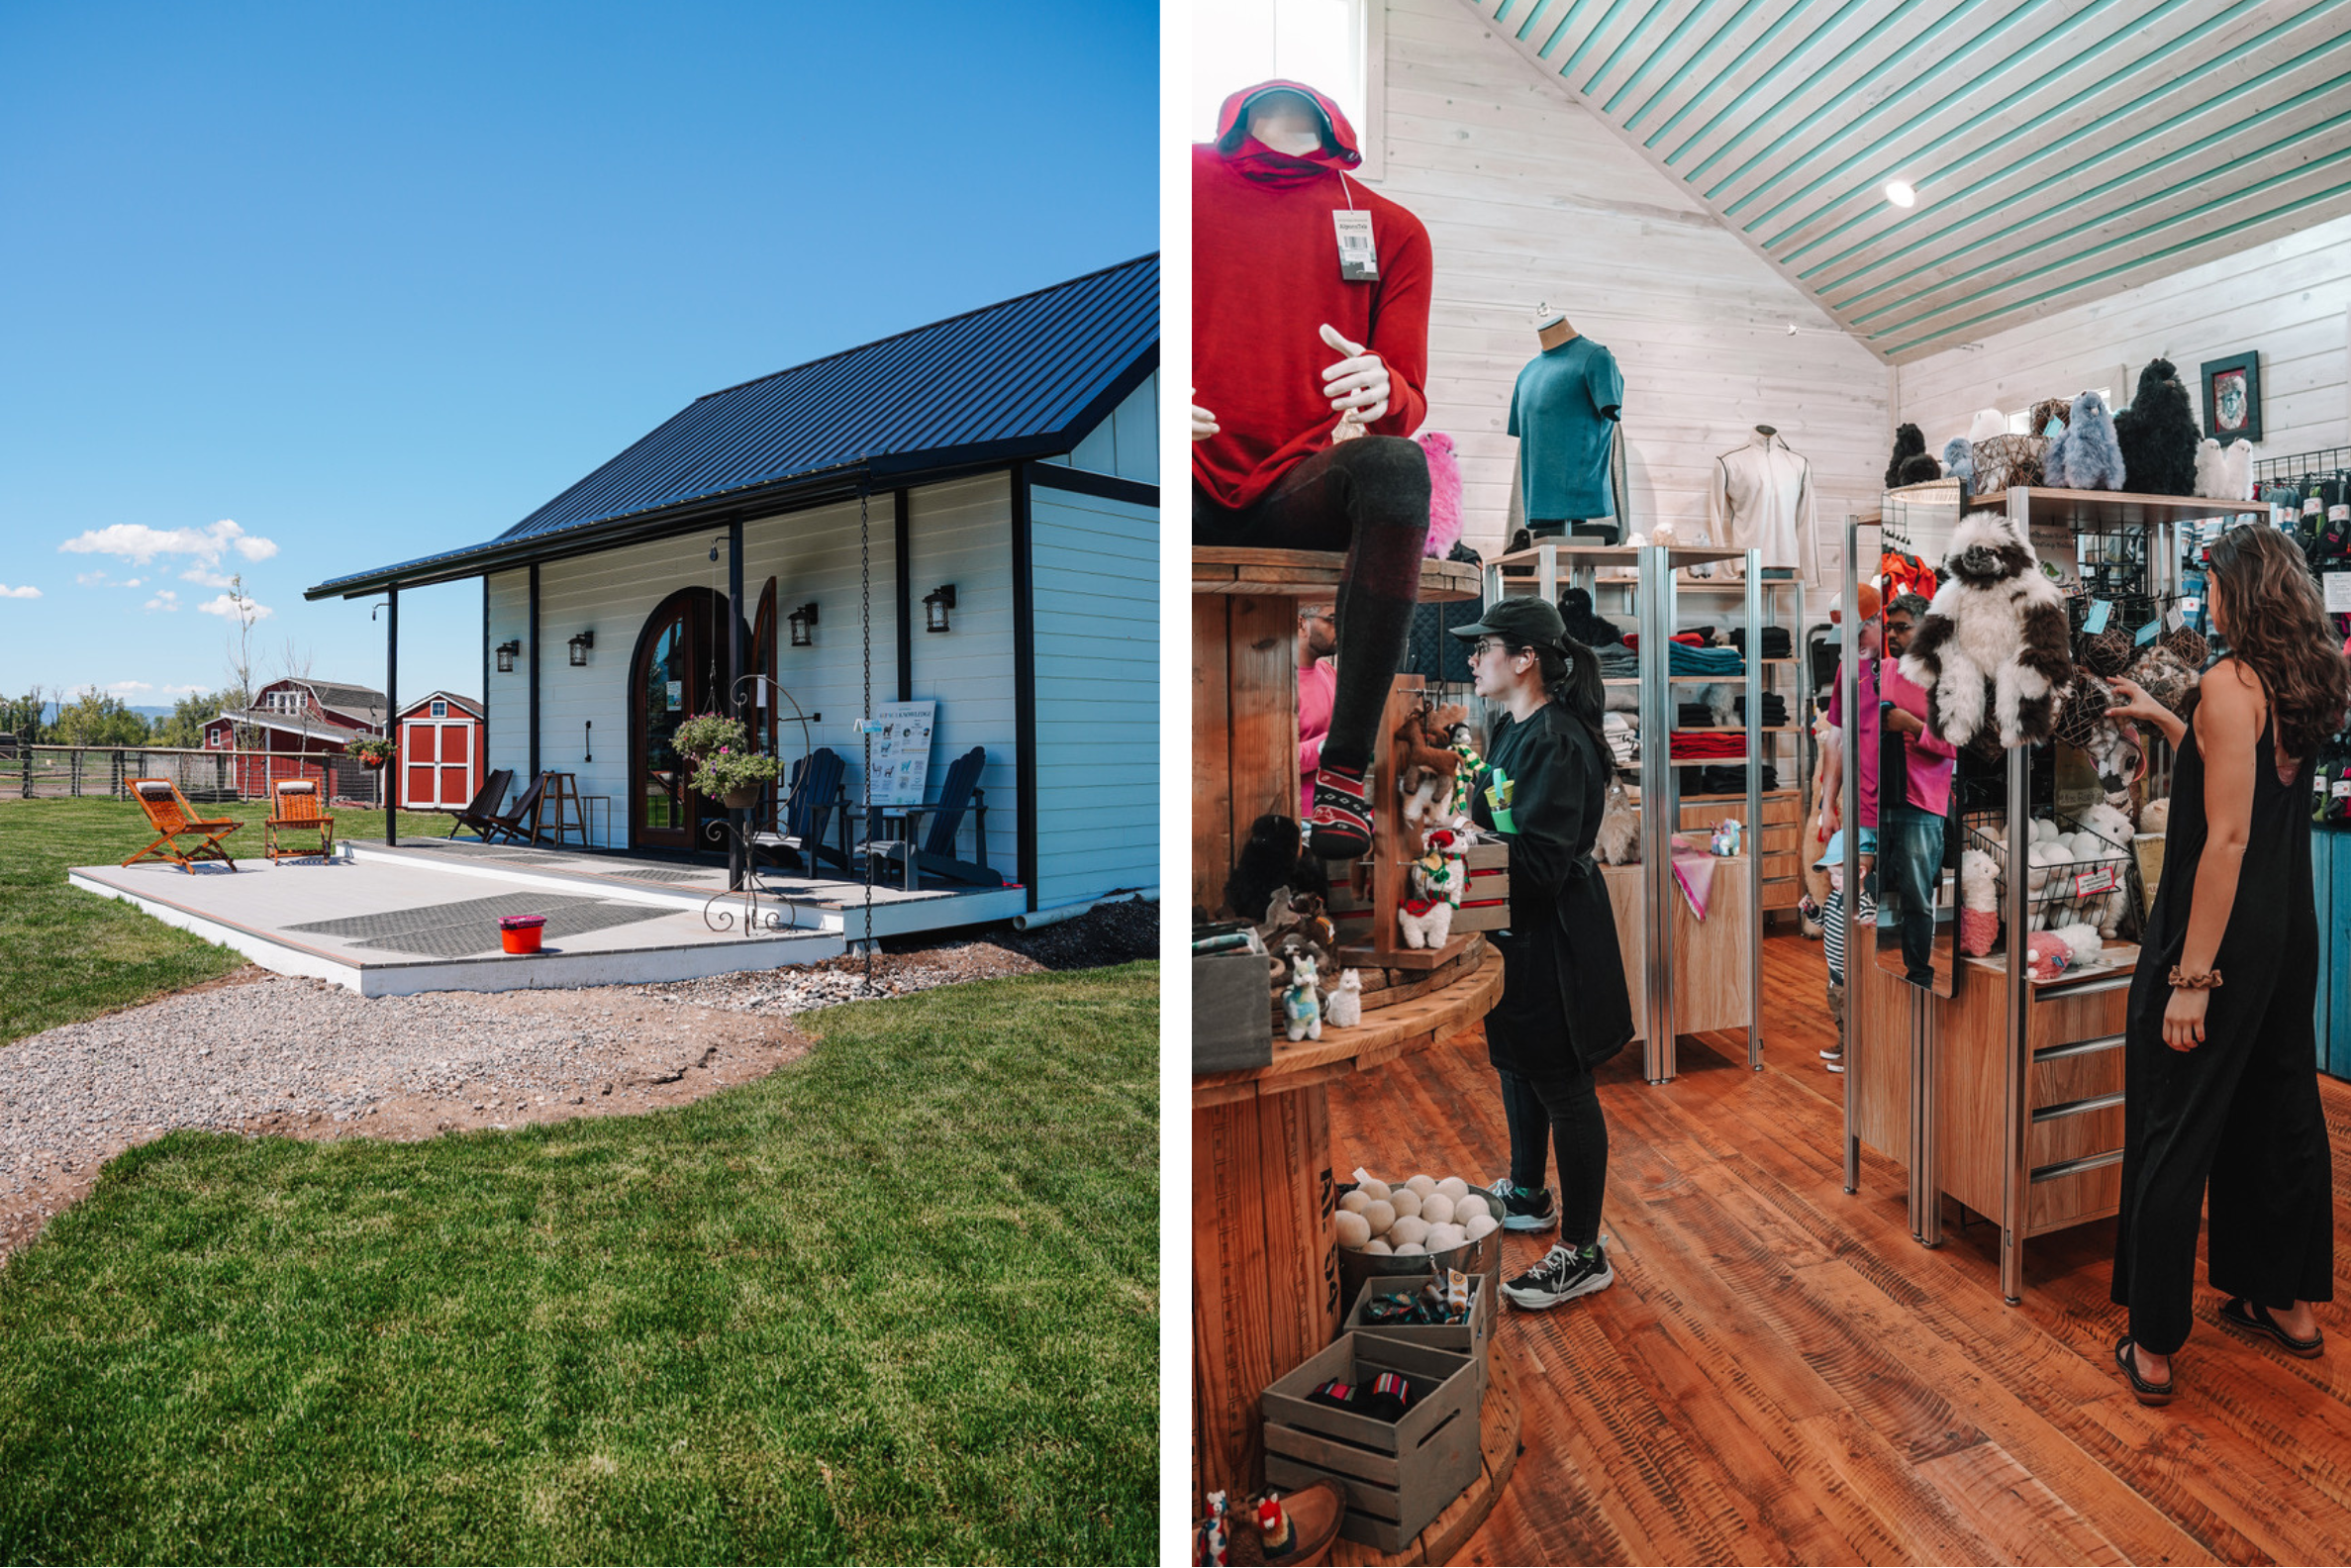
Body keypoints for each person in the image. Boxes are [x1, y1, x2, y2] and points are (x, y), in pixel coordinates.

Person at [2106, 525, 2351, 1406]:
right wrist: (2166, 720)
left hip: (2216, 936)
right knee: (2277, 1105)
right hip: (2289, 933)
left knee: (2174, 1120)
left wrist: (2189, 979)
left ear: (2235, 591)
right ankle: (2279, 1297)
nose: (2202, 594)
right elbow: (2244, 771)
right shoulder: (2304, 678)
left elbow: (2226, 837)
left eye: (2209, 580)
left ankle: (2155, 1341)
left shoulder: (2225, 682)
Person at [1194, 79, 1433, 860]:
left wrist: (1384, 387)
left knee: (1399, 466)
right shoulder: (1179, 181)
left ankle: (1342, 770)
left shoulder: (1392, 230)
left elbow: (1407, 396)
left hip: (1293, 479)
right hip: (1180, 466)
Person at [1446, 597, 1634, 1310]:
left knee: (1561, 1084)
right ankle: (1527, 1195)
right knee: (1516, 1066)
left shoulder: (1556, 740)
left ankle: (1583, 1253)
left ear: (1524, 657)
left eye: (1482, 646)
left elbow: (1542, 863)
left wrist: (1461, 851)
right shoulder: (1505, 726)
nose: (1471, 659)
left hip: (1553, 938)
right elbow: (1490, 819)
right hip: (1511, 934)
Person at [1813, 581, 1882, 1071]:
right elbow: (1835, 737)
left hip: (1899, 814)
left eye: (1857, 632)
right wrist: (1827, 802)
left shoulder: (1904, 668)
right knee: (1844, 914)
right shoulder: (1847, 669)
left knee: (1881, 930)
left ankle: (1879, 1038)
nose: (1852, 642)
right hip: (1858, 814)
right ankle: (1855, 1037)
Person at [1878, 593, 1957, 985]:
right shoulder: (1880, 672)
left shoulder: (1947, 680)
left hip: (1922, 802)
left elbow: (1957, 745)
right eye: (1889, 626)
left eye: (1902, 627)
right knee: (1862, 894)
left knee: (1916, 898)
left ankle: (1920, 976)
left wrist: (1910, 725)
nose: (1892, 634)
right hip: (1876, 798)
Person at [1297, 604, 1336, 801]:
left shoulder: (1329, 672)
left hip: (1337, 806)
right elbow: (1277, 759)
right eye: (1332, 619)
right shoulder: (1276, 685)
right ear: (1301, 623)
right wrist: (1336, 739)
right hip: (1300, 815)